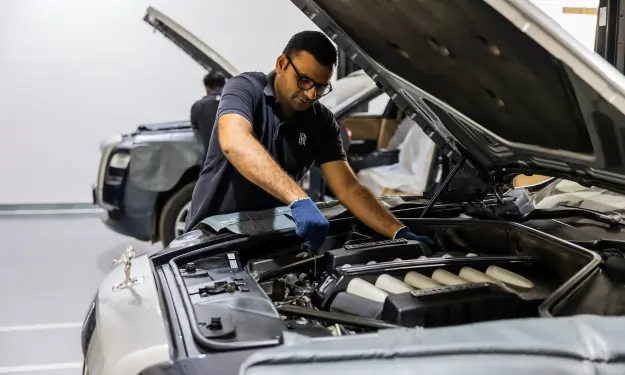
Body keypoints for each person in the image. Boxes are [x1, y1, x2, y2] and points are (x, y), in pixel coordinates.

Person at [185, 30, 431, 253]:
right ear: (282, 64)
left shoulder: (321, 122)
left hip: (270, 238)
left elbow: (349, 188)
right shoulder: (246, 89)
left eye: (321, 87)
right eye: (305, 80)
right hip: (212, 238)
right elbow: (235, 142)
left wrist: (398, 232)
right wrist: (299, 199)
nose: (311, 94)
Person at [190, 72, 226, 155]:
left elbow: (196, 132)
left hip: (211, 159)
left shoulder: (198, 106)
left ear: (207, 88)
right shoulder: (239, 102)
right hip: (238, 161)